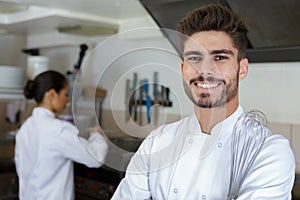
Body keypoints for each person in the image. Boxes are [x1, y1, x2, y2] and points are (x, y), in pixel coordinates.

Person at [112, 4, 295, 199]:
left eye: (220, 57)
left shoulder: (268, 151)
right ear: (183, 69)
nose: (205, 70)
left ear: (242, 69)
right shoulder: (157, 141)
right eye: (194, 58)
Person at [14, 70, 108, 200]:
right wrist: (96, 135)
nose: (67, 100)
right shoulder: (59, 130)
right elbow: (95, 158)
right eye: (65, 94)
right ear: (51, 94)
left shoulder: (25, 128)